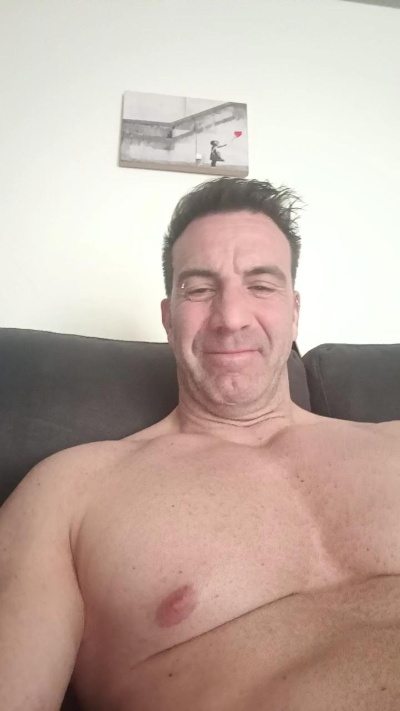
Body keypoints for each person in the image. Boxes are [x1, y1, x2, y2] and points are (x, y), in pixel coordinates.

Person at [1, 177, 399, 711]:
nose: (231, 318)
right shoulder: (68, 492)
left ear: (295, 311)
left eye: (261, 285)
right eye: (199, 289)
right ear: (168, 319)